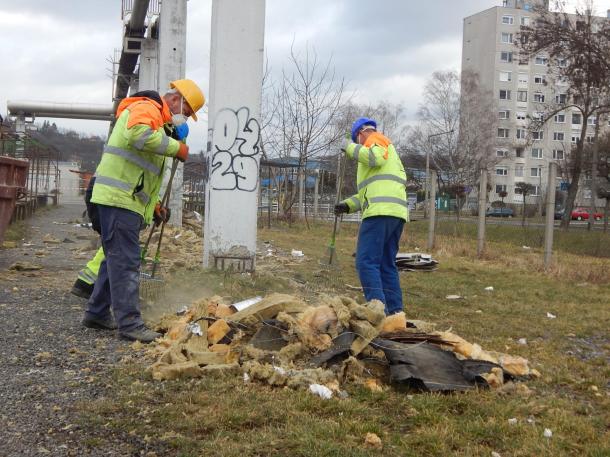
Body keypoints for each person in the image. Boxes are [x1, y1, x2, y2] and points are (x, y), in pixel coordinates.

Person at [82, 80, 204, 342]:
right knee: (126, 261)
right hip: (117, 199)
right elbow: (138, 136)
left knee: (114, 258)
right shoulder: (146, 107)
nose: (184, 117)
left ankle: (97, 312)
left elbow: (142, 172)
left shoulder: (158, 121)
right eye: (187, 110)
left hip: (123, 200)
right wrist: (176, 147)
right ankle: (130, 324)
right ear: (175, 100)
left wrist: (155, 206)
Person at [71, 123, 190, 300]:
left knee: (114, 245)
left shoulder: (154, 150)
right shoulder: (147, 139)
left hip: (112, 194)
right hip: (110, 194)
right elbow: (133, 178)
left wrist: (155, 205)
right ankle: (95, 290)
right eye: (174, 143)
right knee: (118, 246)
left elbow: (143, 182)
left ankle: (90, 288)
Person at [334, 117, 408, 315]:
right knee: (386, 264)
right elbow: (367, 193)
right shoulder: (385, 149)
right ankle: (395, 312)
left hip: (380, 212)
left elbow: (375, 158)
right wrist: (347, 205)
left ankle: (377, 312)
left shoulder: (375, 138)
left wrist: (348, 147)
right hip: (395, 213)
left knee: (366, 261)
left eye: (357, 141)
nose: (360, 147)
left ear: (361, 133)